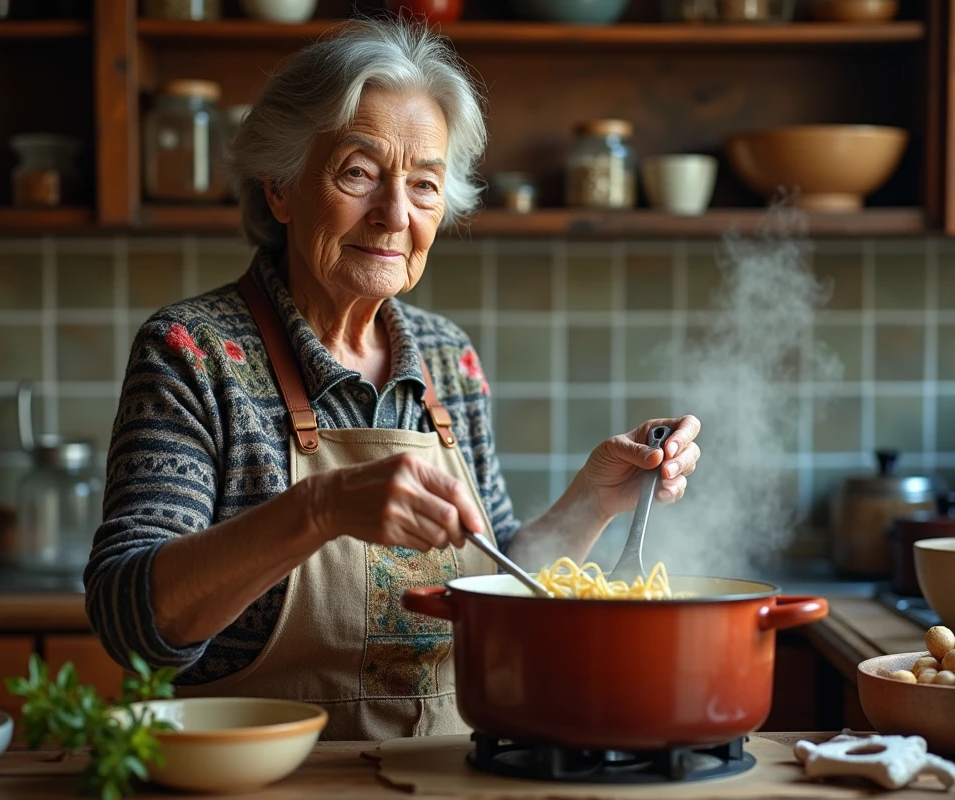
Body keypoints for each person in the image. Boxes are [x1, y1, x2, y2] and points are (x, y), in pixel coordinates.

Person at [84, 18, 701, 741]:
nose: (394, 214)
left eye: (425, 184)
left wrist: (595, 500)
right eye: (358, 172)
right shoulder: (194, 351)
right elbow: (130, 621)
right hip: (258, 783)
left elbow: (496, 578)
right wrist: (317, 511)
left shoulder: (448, 359)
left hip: (446, 773)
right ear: (280, 190)